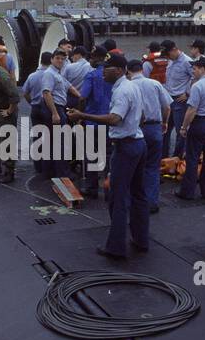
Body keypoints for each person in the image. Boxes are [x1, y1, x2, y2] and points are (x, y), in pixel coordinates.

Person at [68, 55, 148, 258]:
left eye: (108, 67)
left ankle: (116, 247)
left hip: (126, 147)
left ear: (120, 70)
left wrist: (82, 116)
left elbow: (114, 119)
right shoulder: (133, 87)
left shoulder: (121, 90)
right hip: (138, 142)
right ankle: (141, 239)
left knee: (117, 197)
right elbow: (143, 116)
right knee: (138, 195)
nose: (103, 71)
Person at [127, 59, 172, 214]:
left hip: (135, 130)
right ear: (142, 69)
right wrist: (164, 123)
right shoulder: (155, 84)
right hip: (154, 128)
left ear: (128, 71)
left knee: (132, 166)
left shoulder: (127, 86)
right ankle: (151, 202)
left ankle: (134, 201)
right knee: (152, 167)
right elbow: (166, 107)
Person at [175, 56, 205, 201]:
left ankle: (187, 192)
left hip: (200, 123)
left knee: (192, 158)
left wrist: (184, 127)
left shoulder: (197, 86)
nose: (193, 71)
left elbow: (191, 110)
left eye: (195, 69)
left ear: (202, 69)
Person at [78, 46, 113, 198]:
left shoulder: (91, 76)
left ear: (97, 58)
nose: (89, 60)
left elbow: (82, 96)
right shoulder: (113, 76)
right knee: (110, 155)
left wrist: (81, 115)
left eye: (91, 57)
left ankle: (92, 188)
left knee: (92, 155)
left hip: (93, 121)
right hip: (111, 121)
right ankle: (110, 186)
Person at [40, 50, 79, 178]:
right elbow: (46, 93)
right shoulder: (49, 74)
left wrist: (81, 96)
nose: (60, 61)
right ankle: (63, 173)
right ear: (51, 59)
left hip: (59, 108)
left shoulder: (58, 74)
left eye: (62, 59)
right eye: (57, 58)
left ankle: (49, 172)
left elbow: (69, 87)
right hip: (55, 108)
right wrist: (55, 113)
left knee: (52, 141)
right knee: (60, 143)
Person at [161, 39, 192, 158]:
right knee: (165, 129)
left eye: (168, 54)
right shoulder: (171, 61)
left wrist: (188, 93)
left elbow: (195, 77)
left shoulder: (187, 61)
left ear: (174, 50)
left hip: (180, 101)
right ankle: (164, 157)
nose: (167, 57)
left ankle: (178, 157)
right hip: (169, 99)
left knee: (181, 131)